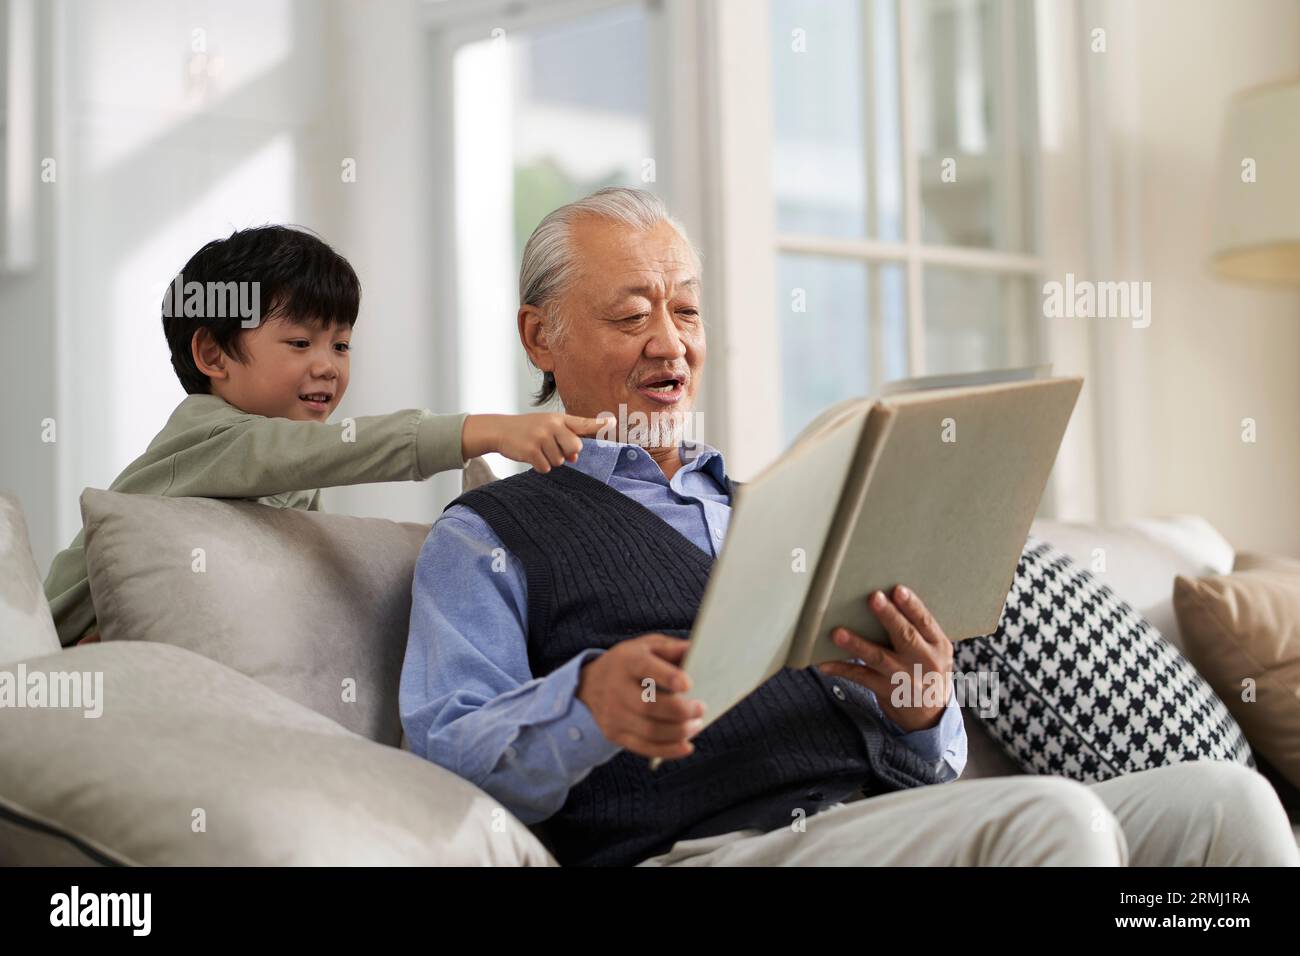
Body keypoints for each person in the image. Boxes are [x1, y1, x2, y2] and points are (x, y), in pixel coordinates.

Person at [399, 188, 1298, 867]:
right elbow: (446, 753)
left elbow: (926, 776)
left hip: (867, 829)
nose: (670, 342)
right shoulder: (489, 532)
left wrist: (923, 711)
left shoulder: (779, 510)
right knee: (1058, 818)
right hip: (701, 852)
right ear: (540, 337)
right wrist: (587, 699)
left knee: (1231, 804)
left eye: (687, 310)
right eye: (632, 315)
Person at [43, 224, 611, 647]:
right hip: (62, 648)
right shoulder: (208, 434)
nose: (328, 366)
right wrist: (481, 431)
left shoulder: (289, 468)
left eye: (340, 345)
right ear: (213, 353)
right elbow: (332, 451)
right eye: (300, 344)